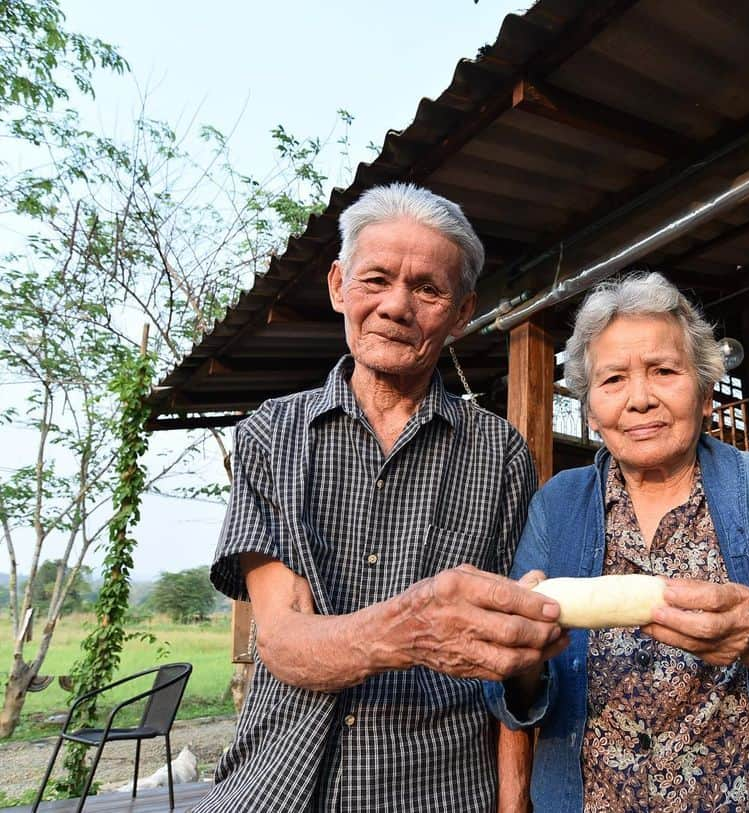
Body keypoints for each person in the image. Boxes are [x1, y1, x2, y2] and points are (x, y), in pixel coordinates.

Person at [196, 183, 567, 813]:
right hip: (278, 783)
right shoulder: (269, 436)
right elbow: (284, 643)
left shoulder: (500, 453)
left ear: (461, 311)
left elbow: (511, 643)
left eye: (428, 288)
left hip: (442, 789)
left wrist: (514, 803)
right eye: (376, 279)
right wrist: (416, 629)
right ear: (339, 285)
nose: (397, 306)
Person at [485, 272, 749, 812]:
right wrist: (523, 656)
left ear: (703, 393)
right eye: (612, 381)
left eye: (664, 371)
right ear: (590, 411)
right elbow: (518, 700)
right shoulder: (557, 506)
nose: (640, 399)